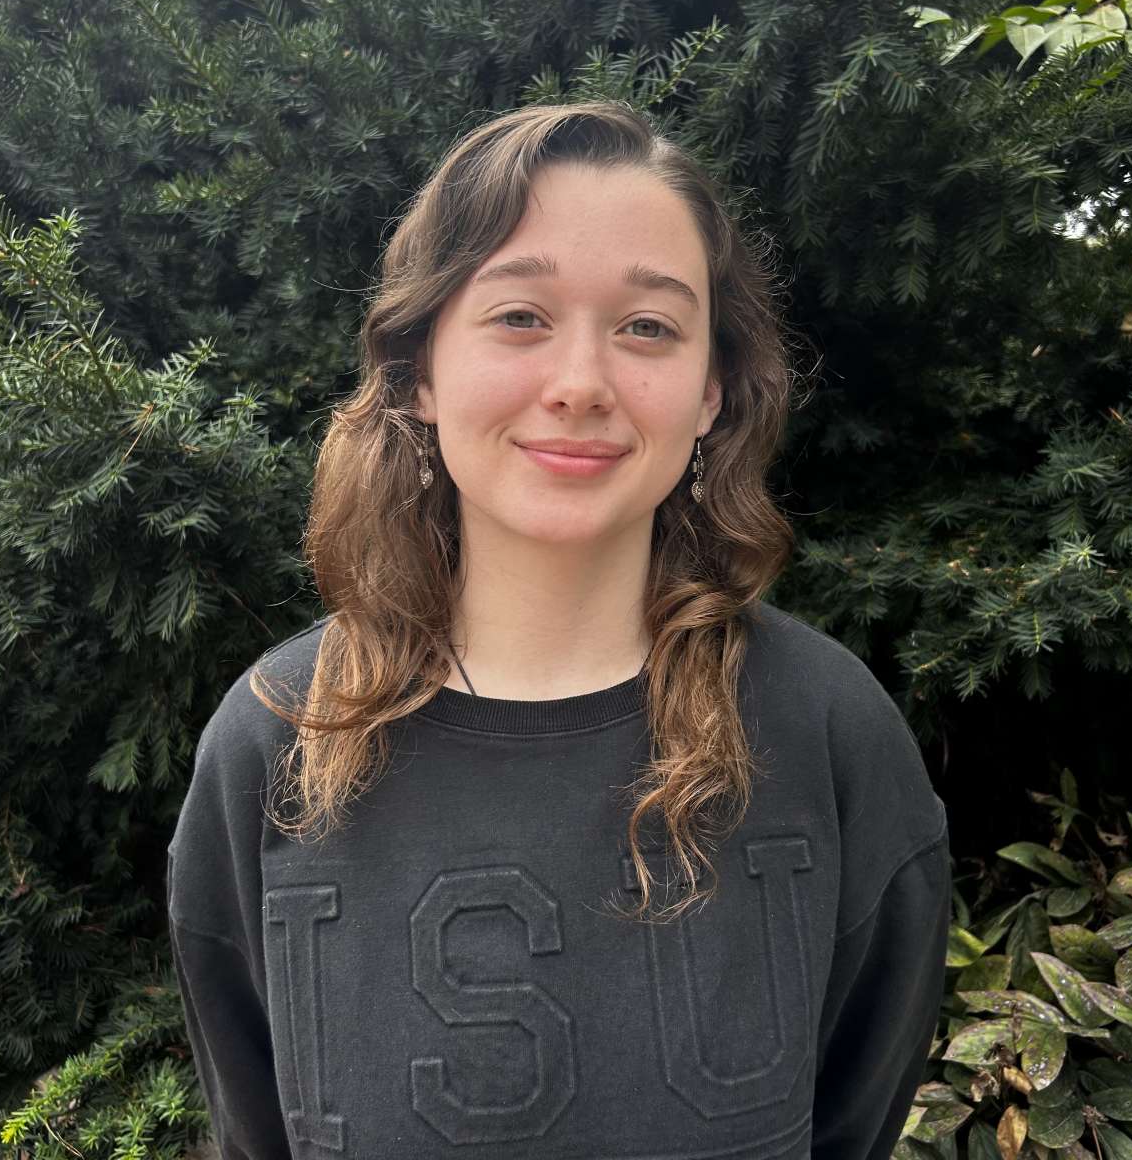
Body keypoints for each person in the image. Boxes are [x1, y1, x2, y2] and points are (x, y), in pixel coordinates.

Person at [167, 99, 950, 1160]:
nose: (581, 384)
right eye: (520, 316)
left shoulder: (827, 732)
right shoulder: (273, 745)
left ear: (711, 391)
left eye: (648, 328)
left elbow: (853, 1117)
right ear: (420, 373)